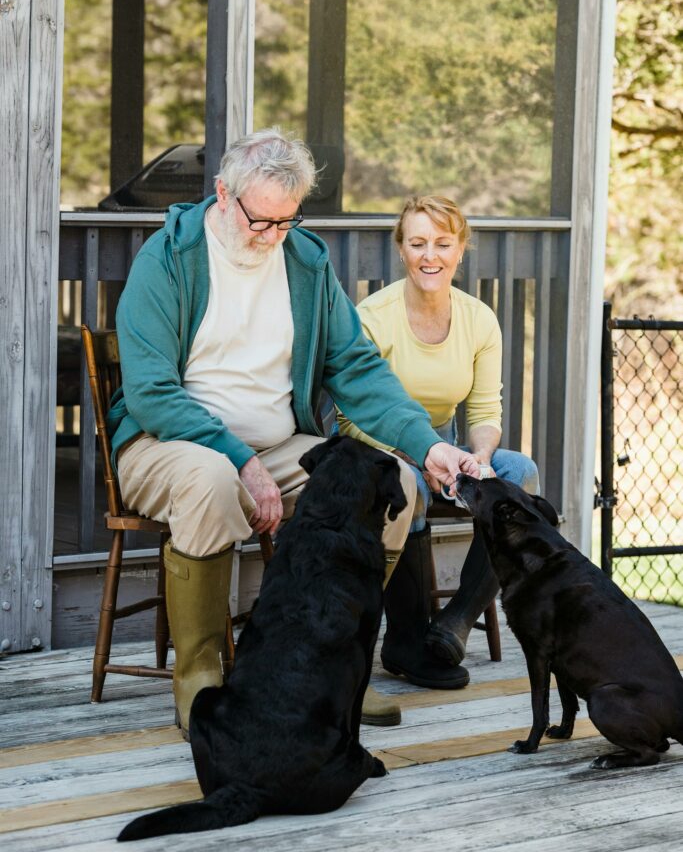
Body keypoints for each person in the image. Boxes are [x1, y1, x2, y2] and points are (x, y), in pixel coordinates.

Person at [107, 130, 483, 737]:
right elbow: (152, 393)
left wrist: (429, 445)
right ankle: (200, 682)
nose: (272, 236)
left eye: (287, 222)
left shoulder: (304, 260)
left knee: (390, 488)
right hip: (167, 445)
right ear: (224, 196)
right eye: (262, 221)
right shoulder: (168, 258)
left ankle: (328, 674)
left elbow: (357, 368)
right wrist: (239, 462)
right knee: (208, 480)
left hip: (278, 445)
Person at [338, 194, 539, 719]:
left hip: (448, 444)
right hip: (380, 449)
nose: (431, 255)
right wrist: (421, 455)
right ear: (401, 250)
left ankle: (455, 623)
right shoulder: (373, 317)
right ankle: (405, 641)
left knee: (521, 474)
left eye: (443, 244)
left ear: (460, 250)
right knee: (407, 483)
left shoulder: (479, 319)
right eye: (418, 243)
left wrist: (480, 457)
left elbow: (487, 408)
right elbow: (349, 416)